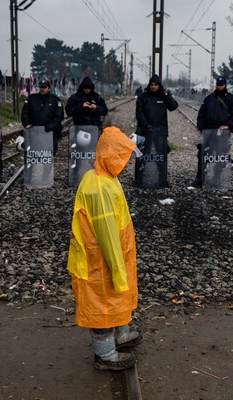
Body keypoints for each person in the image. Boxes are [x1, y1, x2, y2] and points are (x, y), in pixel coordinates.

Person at [67, 125, 141, 371]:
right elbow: (108, 237)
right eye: (123, 156)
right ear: (111, 156)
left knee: (113, 300)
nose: (127, 162)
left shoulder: (104, 178)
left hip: (107, 258)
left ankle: (120, 334)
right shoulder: (100, 189)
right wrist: (119, 273)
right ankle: (105, 355)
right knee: (102, 307)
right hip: (100, 261)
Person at [193, 76, 233, 187]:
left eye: (221, 85)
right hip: (208, 131)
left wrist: (228, 125)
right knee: (203, 154)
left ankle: (217, 177)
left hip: (222, 133)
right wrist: (201, 127)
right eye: (218, 85)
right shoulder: (209, 99)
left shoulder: (231, 99)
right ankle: (200, 178)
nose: (219, 87)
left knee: (220, 156)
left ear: (225, 85)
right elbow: (201, 114)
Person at [21, 79, 64, 154]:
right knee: (33, 152)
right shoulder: (32, 98)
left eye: (44, 87)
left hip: (50, 132)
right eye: (41, 87)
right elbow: (25, 112)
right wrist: (26, 123)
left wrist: (49, 127)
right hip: (34, 131)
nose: (42, 89)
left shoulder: (55, 100)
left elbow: (59, 116)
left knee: (50, 152)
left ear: (49, 88)